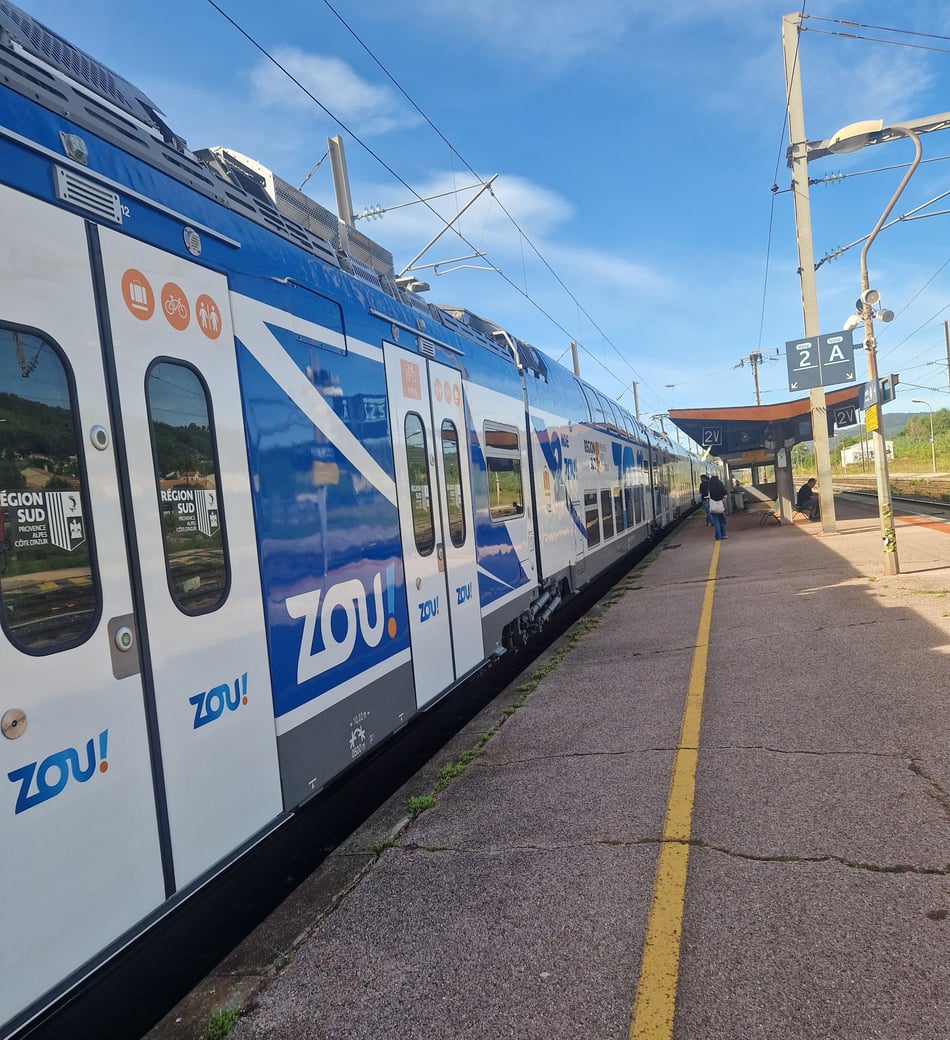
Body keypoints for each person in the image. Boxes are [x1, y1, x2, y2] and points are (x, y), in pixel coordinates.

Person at [707, 474, 727, 541]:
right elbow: (725, 494)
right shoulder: (720, 487)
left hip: (713, 507)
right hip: (720, 506)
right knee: (722, 521)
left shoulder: (710, 488)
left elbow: (707, 497)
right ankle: (723, 534)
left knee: (716, 522)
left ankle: (718, 536)